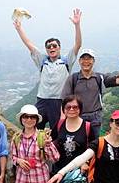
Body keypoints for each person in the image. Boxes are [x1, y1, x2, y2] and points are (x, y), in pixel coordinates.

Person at [13, 9, 82, 137]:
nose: (51, 48)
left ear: (59, 48)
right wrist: (19, 29)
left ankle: (55, 155)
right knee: (34, 127)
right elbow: (29, 44)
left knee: (57, 130)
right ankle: (35, 152)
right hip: (42, 100)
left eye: (54, 46)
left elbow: (78, 45)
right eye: (49, 46)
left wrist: (77, 25)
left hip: (58, 101)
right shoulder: (43, 61)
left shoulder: (66, 61)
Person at [61, 47, 119, 137]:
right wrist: (63, 118)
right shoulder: (73, 78)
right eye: (83, 59)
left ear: (93, 61)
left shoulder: (99, 77)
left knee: (94, 144)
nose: (86, 61)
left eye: (89, 59)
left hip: (95, 118)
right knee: (78, 143)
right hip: (77, 116)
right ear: (79, 61)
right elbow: (64, 100)